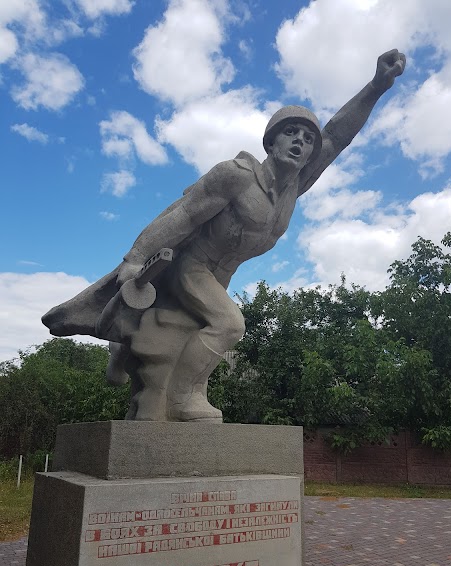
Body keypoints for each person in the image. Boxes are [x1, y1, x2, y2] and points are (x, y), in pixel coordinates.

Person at [43, 49, 406, 423]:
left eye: (307, 138)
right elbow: (182, 216)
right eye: (290, 132)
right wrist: (135, 258)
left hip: (222, 274)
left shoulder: (294, 188)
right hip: (191, 264)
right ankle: (181, 400)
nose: (301, 142)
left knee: (196, 325)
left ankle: (127, 349)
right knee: (229, 324)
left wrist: (377, 86)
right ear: (270, 142)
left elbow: (337, 135)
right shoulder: (236, 176)